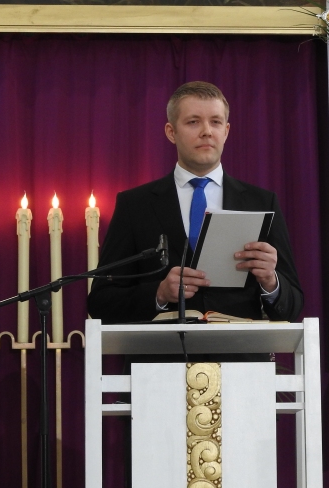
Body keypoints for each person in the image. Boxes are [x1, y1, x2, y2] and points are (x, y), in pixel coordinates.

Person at [87, 81, 304, 323]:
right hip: (162, 346)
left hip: (238, 346)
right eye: (193, 122)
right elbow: (101, 303)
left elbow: (292, 306)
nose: (207, 131)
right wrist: (159, 293)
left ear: (226, 131)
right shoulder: (134, 205)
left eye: (216, 122)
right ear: (171, 132)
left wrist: (271, 282)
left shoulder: (262, 202)